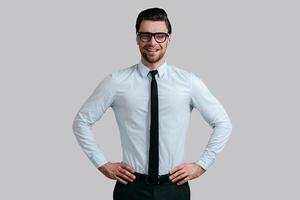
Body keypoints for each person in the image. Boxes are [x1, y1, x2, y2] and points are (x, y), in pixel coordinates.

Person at [72, 7, 232, 200]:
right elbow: (81, 122)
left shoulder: (188, 82)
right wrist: (102, 164)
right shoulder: (116, 81)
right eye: (145, 35)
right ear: (137, 38)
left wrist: (202, 165)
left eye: (160, 36)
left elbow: (223, 122)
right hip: (131, 188)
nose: (152, 42)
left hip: (174, 188)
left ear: (169, 39)